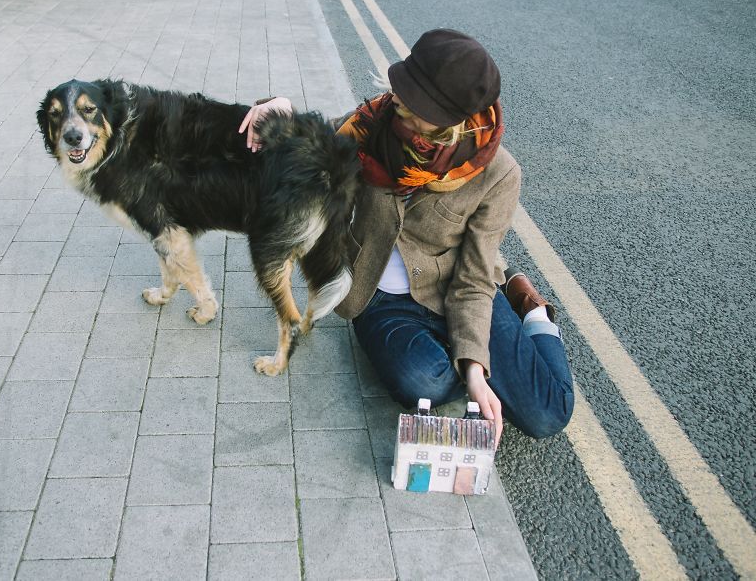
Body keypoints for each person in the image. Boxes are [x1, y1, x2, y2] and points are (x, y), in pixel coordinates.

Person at [239, 29, 573, 446]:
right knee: (425, 382)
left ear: (454, 120)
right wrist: (282, 108)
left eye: (415, 102)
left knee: (548, 414)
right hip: (380, 298)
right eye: (403, 88)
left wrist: (473, 368)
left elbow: (472, 278)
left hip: (459, 288)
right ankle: (472, 356)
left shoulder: (498, 174)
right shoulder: (372, 126)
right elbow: (315, 139)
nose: (397, 100)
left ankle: (531, 311)